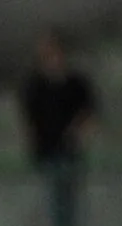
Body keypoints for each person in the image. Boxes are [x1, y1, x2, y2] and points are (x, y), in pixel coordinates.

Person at [20, 29, 97, 172]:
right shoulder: (35, 85)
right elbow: (30, 117)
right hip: (45, 148)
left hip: (70, 147)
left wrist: (79, 132)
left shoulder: (76, 82)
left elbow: (88, 110)